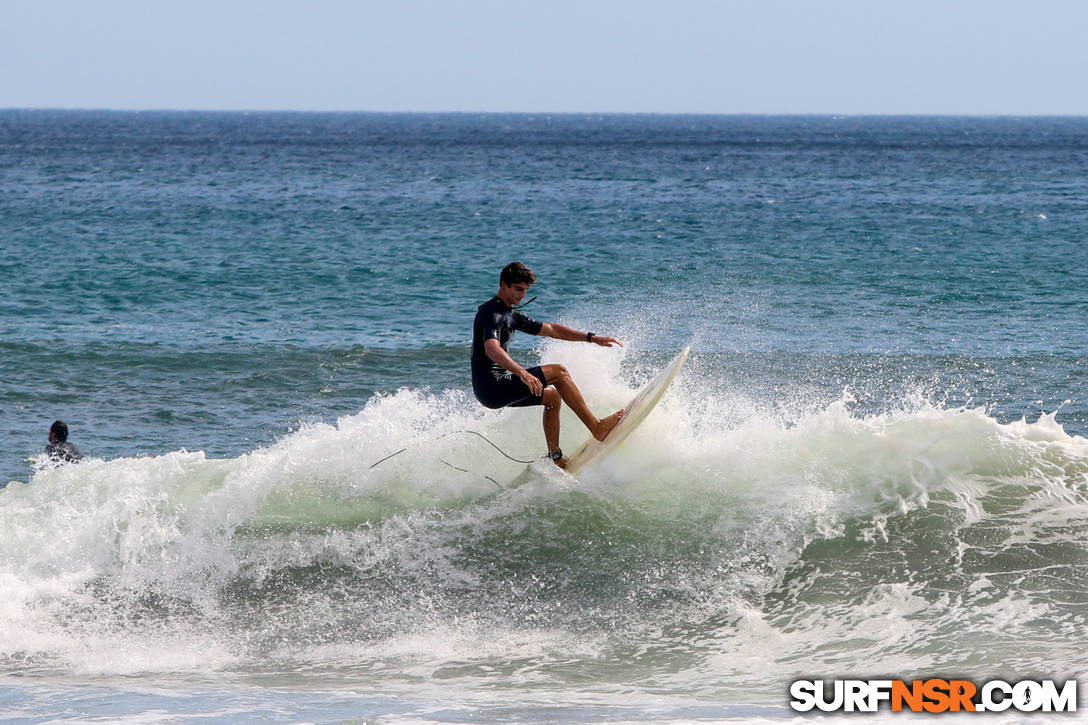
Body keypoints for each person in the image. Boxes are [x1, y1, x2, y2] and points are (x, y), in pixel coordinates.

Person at [472, 262, 625, 468]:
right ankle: (596, 426)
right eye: (518, 289)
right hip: (492, 386)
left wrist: (592, 338)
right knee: (559, 372)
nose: (522, 295)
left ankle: (556, 458)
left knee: (552, 397)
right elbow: (492, 348)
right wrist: (522, 373)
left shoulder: (511, 315)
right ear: (503, 284)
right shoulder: (491, 313)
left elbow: (552, 330)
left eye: (526, 290)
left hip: (490, 391)